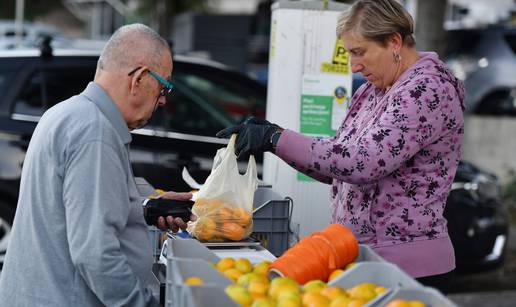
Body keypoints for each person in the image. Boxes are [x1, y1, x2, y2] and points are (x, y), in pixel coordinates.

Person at [217, 0, 464, 291]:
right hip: (365, 258)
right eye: (349, 54)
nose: (354, 66)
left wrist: (276, 137)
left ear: (394, 42)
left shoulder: (427, 89)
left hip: (408, 268)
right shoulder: (371, 91)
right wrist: (275, 141)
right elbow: (338, 163)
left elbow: (363, 163)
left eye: (359, 52)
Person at [0, 24, 192, 306]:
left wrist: (146, 207)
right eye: (164, 87)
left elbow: (73, 209)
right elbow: (96, 254)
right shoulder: (95, 133)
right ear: (138, 78)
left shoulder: (67, 113)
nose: (163, 100)